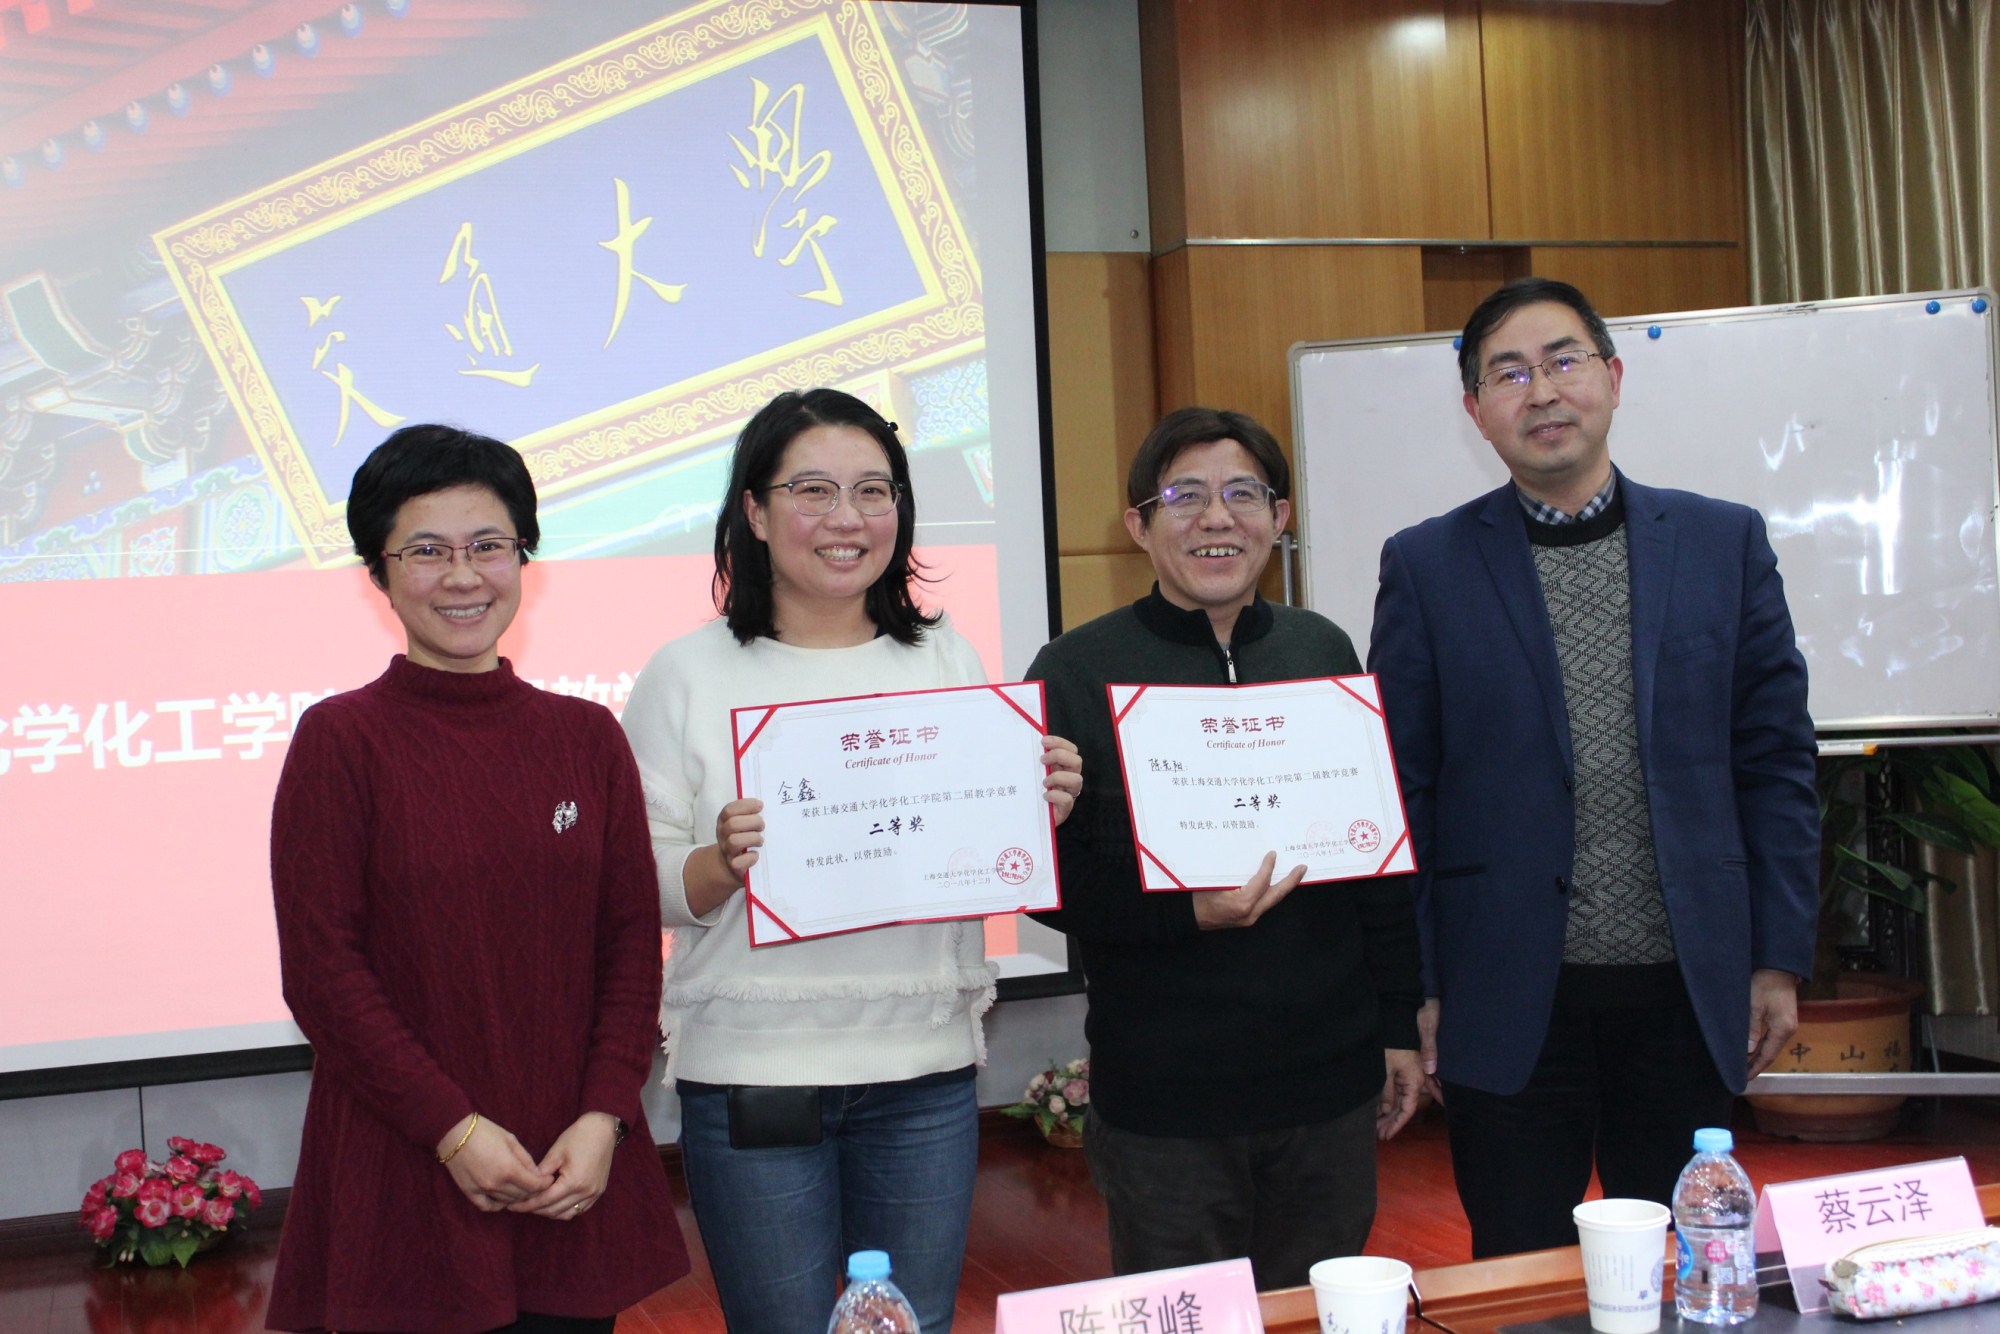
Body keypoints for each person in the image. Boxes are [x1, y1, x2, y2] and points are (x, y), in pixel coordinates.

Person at [1367, 277, 1820, 1258]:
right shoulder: (1426, 565)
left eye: (1562, 361)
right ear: (1473, 408)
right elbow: (1403, 791)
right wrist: (1417, 985)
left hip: (1685, 992)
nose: (1541, 391)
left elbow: (1774, 761)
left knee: (1680, 1271)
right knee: (1520, 1272)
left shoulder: (1721, 542)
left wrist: (1775, 955)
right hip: (1504, 999)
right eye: (1508, 373)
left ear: (1611, 377)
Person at [619, 388, 1082, 1334]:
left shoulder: (946, 658)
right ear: (754, 512)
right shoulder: (687, 672)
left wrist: (1038, 807)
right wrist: (721, 863)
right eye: (813, 490)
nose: (847, 518)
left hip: (922, 1069)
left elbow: (974, 842)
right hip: (756, 1074)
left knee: (916, 1325)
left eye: (874, 490)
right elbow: (636, 883)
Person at [267, 424, 688, 1333]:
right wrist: (452, 1130)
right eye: (427, 551)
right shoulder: (340, 741)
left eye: (488, 546)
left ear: (522, 558)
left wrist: (605, 1118)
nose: (463, 577)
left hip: (567, 1170)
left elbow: (628, 947)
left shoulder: (585, 738)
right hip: (402, 1167)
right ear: (378, 573)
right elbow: (323, 974)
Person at [1024, 406, 1424, 1292]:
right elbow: (1049, 882)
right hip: (1166, 1103)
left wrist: (1399, 1021)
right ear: (1139, 525)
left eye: (1244, 494)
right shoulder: (1075, 669)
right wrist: (1188, 915)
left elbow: (1376, 859)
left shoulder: (1322, 648)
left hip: (1328, 1089)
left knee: (1315, 1308)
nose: (1218, 518)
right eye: (1185, 497)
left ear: (1279, 518)